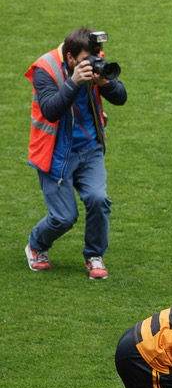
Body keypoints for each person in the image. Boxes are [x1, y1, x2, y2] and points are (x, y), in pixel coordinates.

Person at [23, 27, 127, 279]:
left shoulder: (92, 59)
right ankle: (36, 245)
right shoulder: (45, 69)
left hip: (89, 148)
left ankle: (94, 255)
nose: (91, 64)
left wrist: (105, 83)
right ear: (70, 58)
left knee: (98, 199)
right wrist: (74, 81)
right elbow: (50, 110)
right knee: (64, 217)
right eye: (83, 62)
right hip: (54, 154)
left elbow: (121, 97)